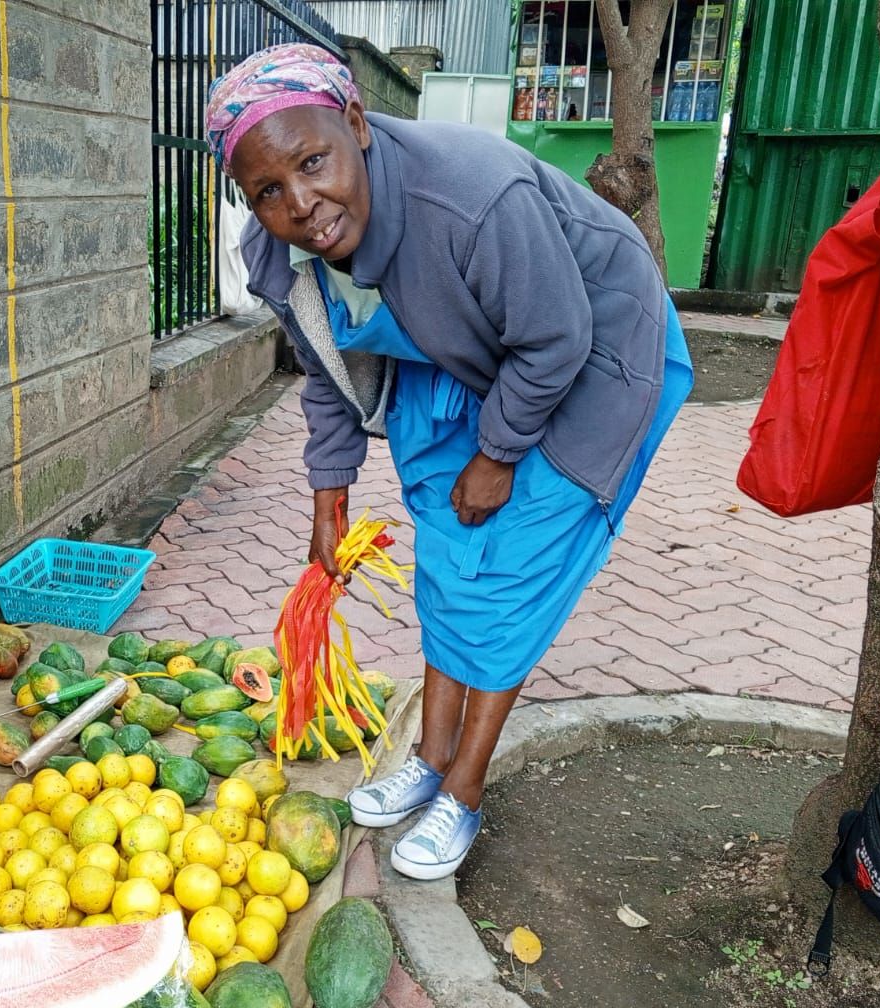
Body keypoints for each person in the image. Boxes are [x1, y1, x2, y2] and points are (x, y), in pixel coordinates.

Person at [205, 44, 694, 880]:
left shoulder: (471, 198)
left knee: (504, 578)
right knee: (446, 552)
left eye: (314, 162)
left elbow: (556, 337)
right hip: (456, 355)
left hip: (589, 356)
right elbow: (325, 368)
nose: (302, 204)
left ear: (356, 124)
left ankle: (463, 791)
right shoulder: (279, 252)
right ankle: (429, 756)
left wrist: (499, 454)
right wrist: (331, 496)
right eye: (269, 192)